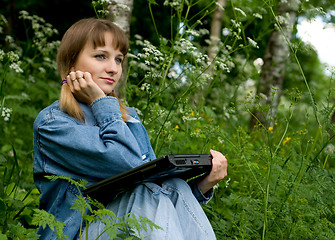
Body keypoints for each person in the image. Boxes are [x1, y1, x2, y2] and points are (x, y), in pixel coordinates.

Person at [33, 18, 227, 240]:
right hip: (73, 234)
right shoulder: (53, 124)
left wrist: (202, 185)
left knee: (174, 185)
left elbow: (156, 191)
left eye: (119, 59)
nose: (113, 68)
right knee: (146, 194)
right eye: (100, 56)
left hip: (127, 225)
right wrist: (100, 101)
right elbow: (123, 162)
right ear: (71, 65)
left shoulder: (128, 118)